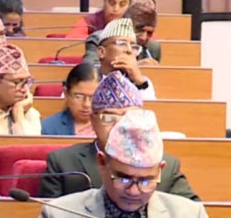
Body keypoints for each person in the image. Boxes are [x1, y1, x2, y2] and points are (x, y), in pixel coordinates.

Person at [22, 110, 231, 218]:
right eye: (123, 179)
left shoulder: (190, 215)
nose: (134, 191)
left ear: (160, 170)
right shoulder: (60, 214)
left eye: (146, 180)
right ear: (102, 163)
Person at [38, 72, 197, 200]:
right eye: (109, 118)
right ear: (93, 120)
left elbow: (191, 213)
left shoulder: (165, 165)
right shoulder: (62, 162)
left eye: (129, 117)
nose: (121, 125)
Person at [83, 0, 160, 65]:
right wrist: (134, 67)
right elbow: (90, 69)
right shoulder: (99, 39)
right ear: (126, 24)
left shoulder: (152, 47)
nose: (144, 37)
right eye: (139, 30)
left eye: (149, 33)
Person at [94, 18, 156, 99]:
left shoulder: (142, 82)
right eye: (122, 43)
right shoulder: (88, 77)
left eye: (134, 47)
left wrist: (139, 82)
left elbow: (149, 106)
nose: (129, 50)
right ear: (102, 52)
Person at [40, 63, 99, 137]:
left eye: (93, 97)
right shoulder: (48, 128)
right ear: (66, 93)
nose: (86, 104)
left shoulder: (110, 126)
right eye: (79, 96)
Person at [65, 0, 134, 38]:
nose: (116, 9)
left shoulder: (134, 23)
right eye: (111, 3)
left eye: (122, 4)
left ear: (129, 5)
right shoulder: (90, 21)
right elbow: (71, 38)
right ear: (104, 1)